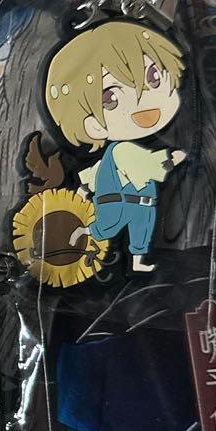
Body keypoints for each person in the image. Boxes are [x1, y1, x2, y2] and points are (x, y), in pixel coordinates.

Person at [45, 20, 186, 272]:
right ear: (91, 124)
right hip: (118, 202)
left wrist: (83, 188)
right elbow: (146, 165)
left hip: (144, 202)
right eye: (110, 98)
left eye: (153, 77)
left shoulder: (127, 148)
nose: (143, 104)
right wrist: (172, 158)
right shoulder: (122, 149)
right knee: (106, 229)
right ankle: (82, 234)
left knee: (142, 233)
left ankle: (137, 263)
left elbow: (96, 171)